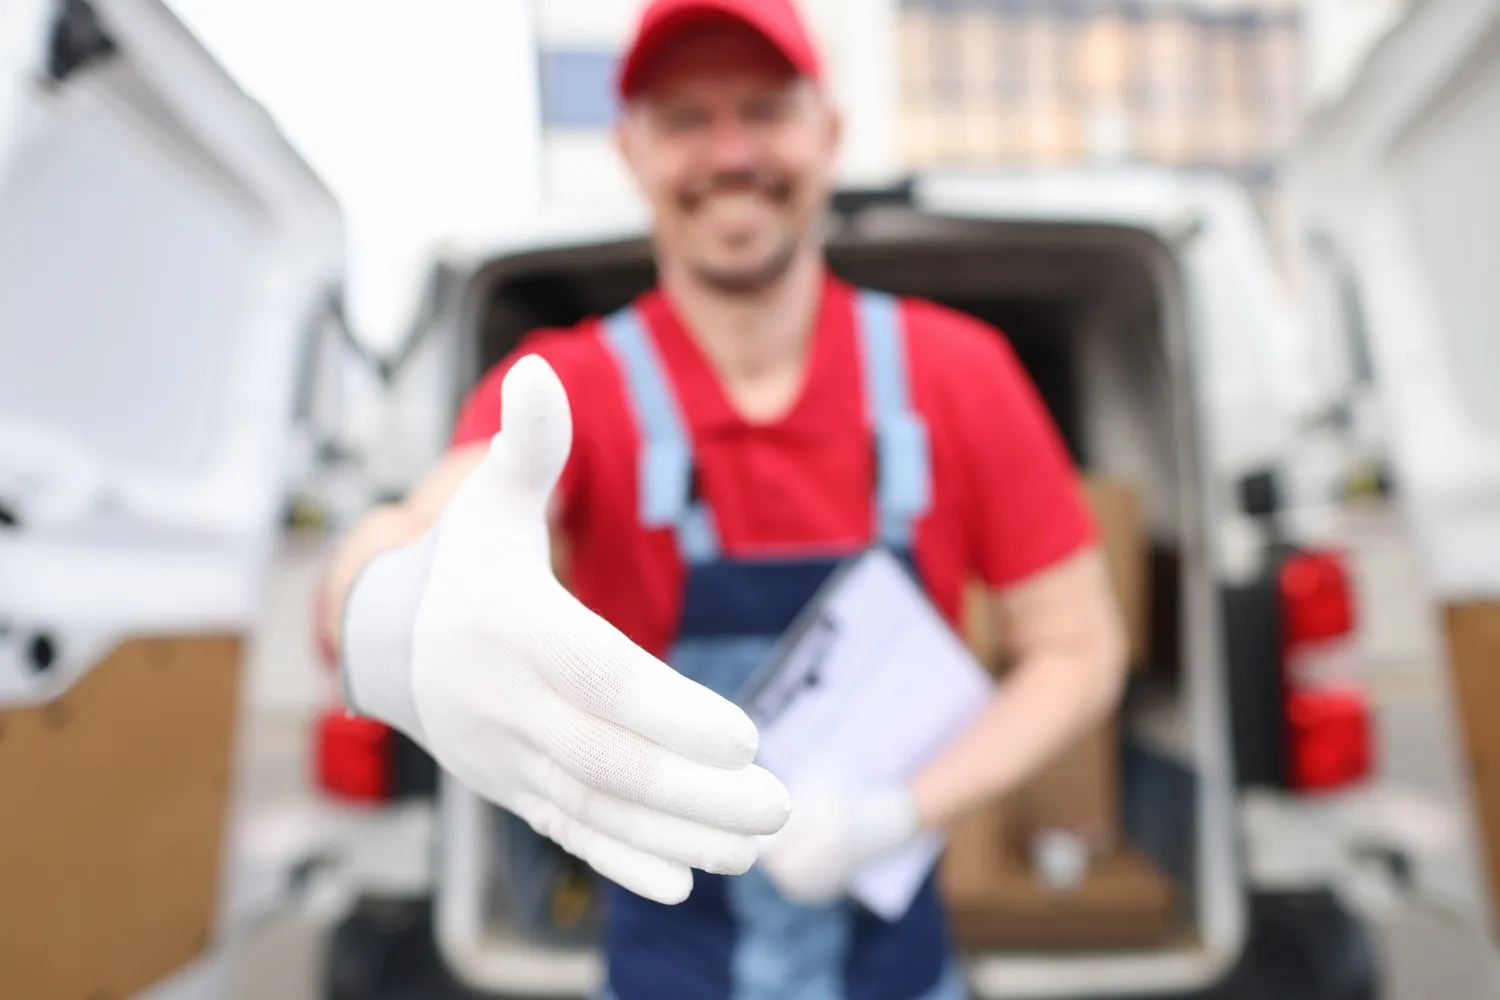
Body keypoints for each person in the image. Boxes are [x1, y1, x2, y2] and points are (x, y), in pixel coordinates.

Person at [320, 0, 1129, 997]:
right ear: (630, 150)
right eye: (686, 120)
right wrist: (386, 609)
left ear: (829, 134)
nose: (730, 152)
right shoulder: (564, 392)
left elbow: (1080, 648)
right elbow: (412, 529)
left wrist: (902, 809)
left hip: (906, 973)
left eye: (763, 109)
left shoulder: (959, 374)